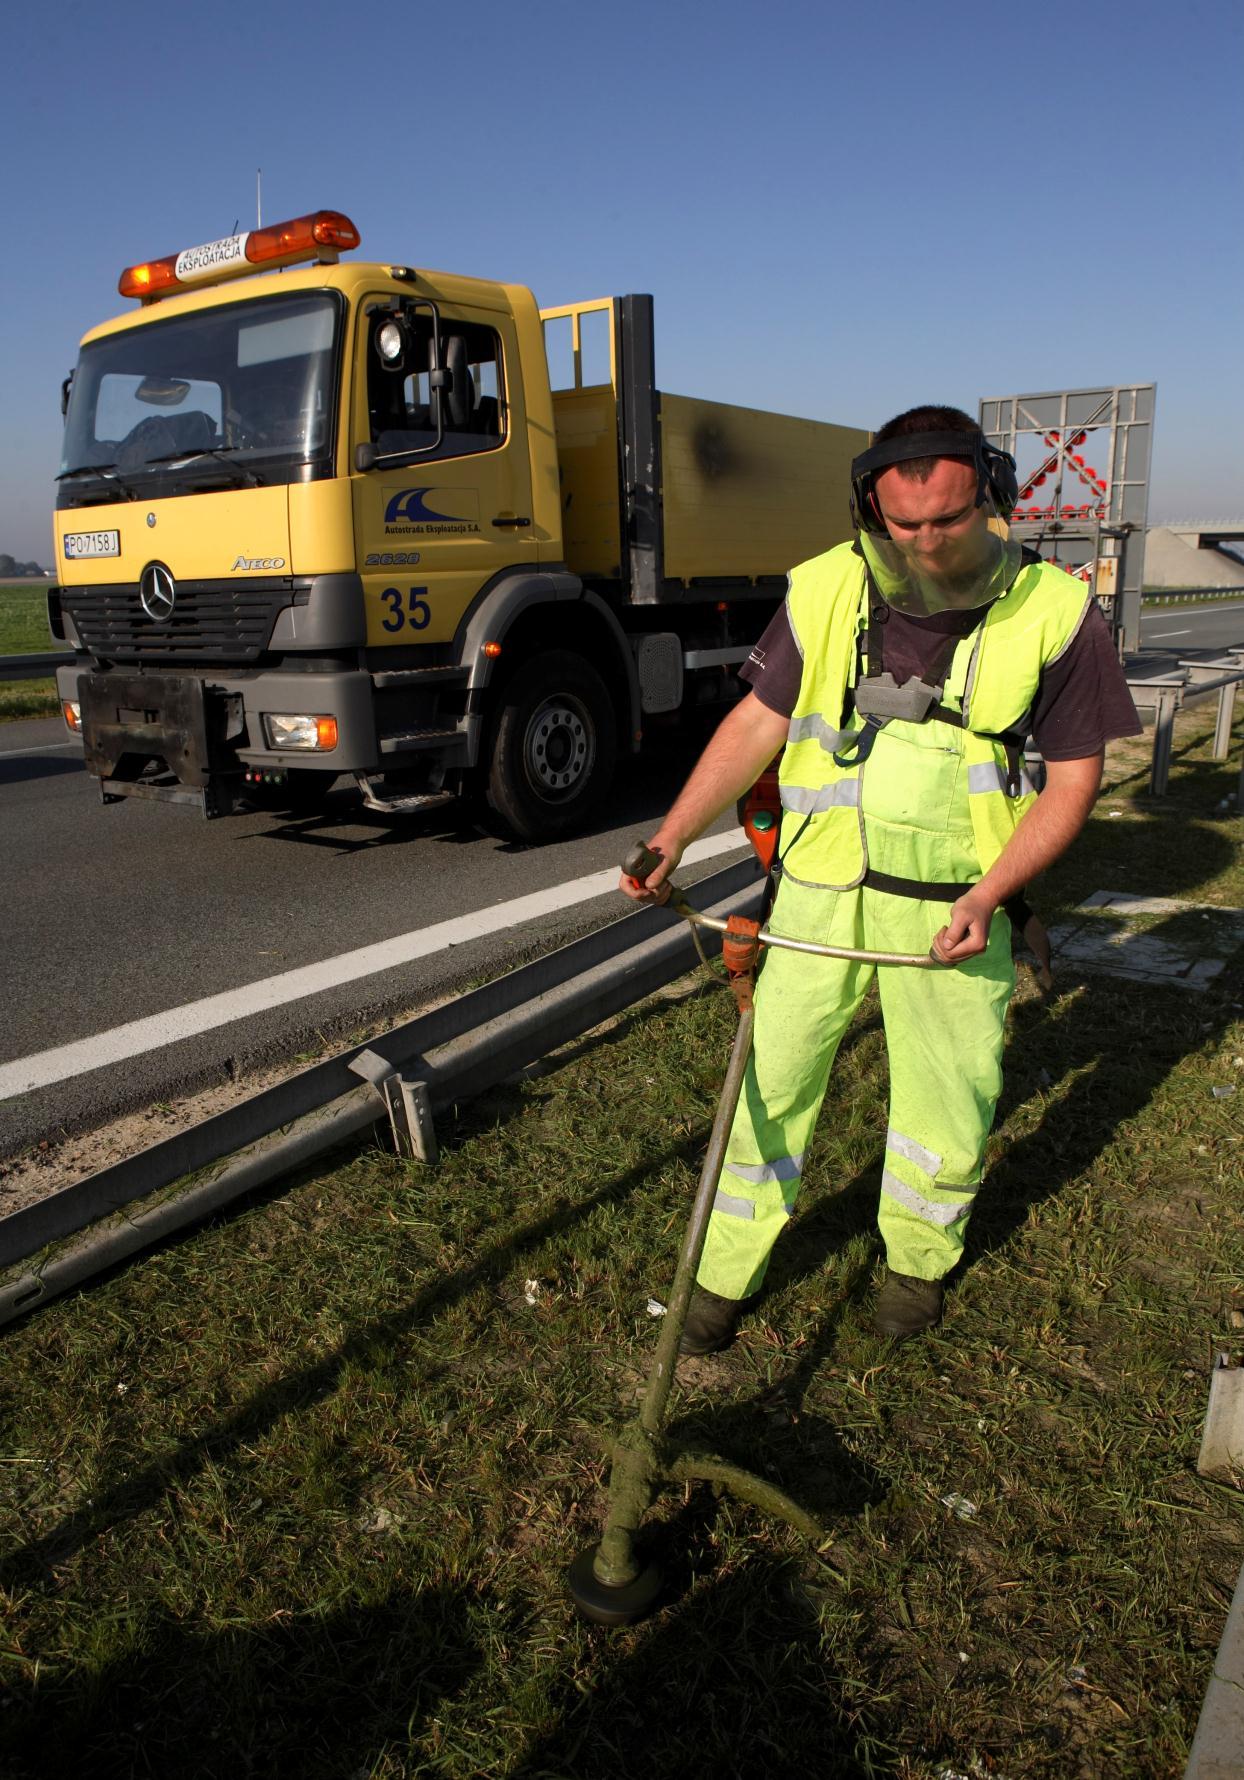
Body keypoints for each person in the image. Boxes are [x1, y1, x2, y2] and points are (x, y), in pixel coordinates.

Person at [620, 406, 1141, 1349]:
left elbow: (1073, 784)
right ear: (872, 508)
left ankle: (916, 1265)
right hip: (817, 897)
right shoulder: (824, 588)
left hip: (954, 909)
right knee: (769, 1091)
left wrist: (989, 895)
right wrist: (673, 837)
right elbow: (756, 726)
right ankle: (725, 1274)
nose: (928, 542)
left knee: (948, 1098)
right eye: (905, 525)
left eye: (950, 518)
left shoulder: (1057, 612)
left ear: (989, 497)